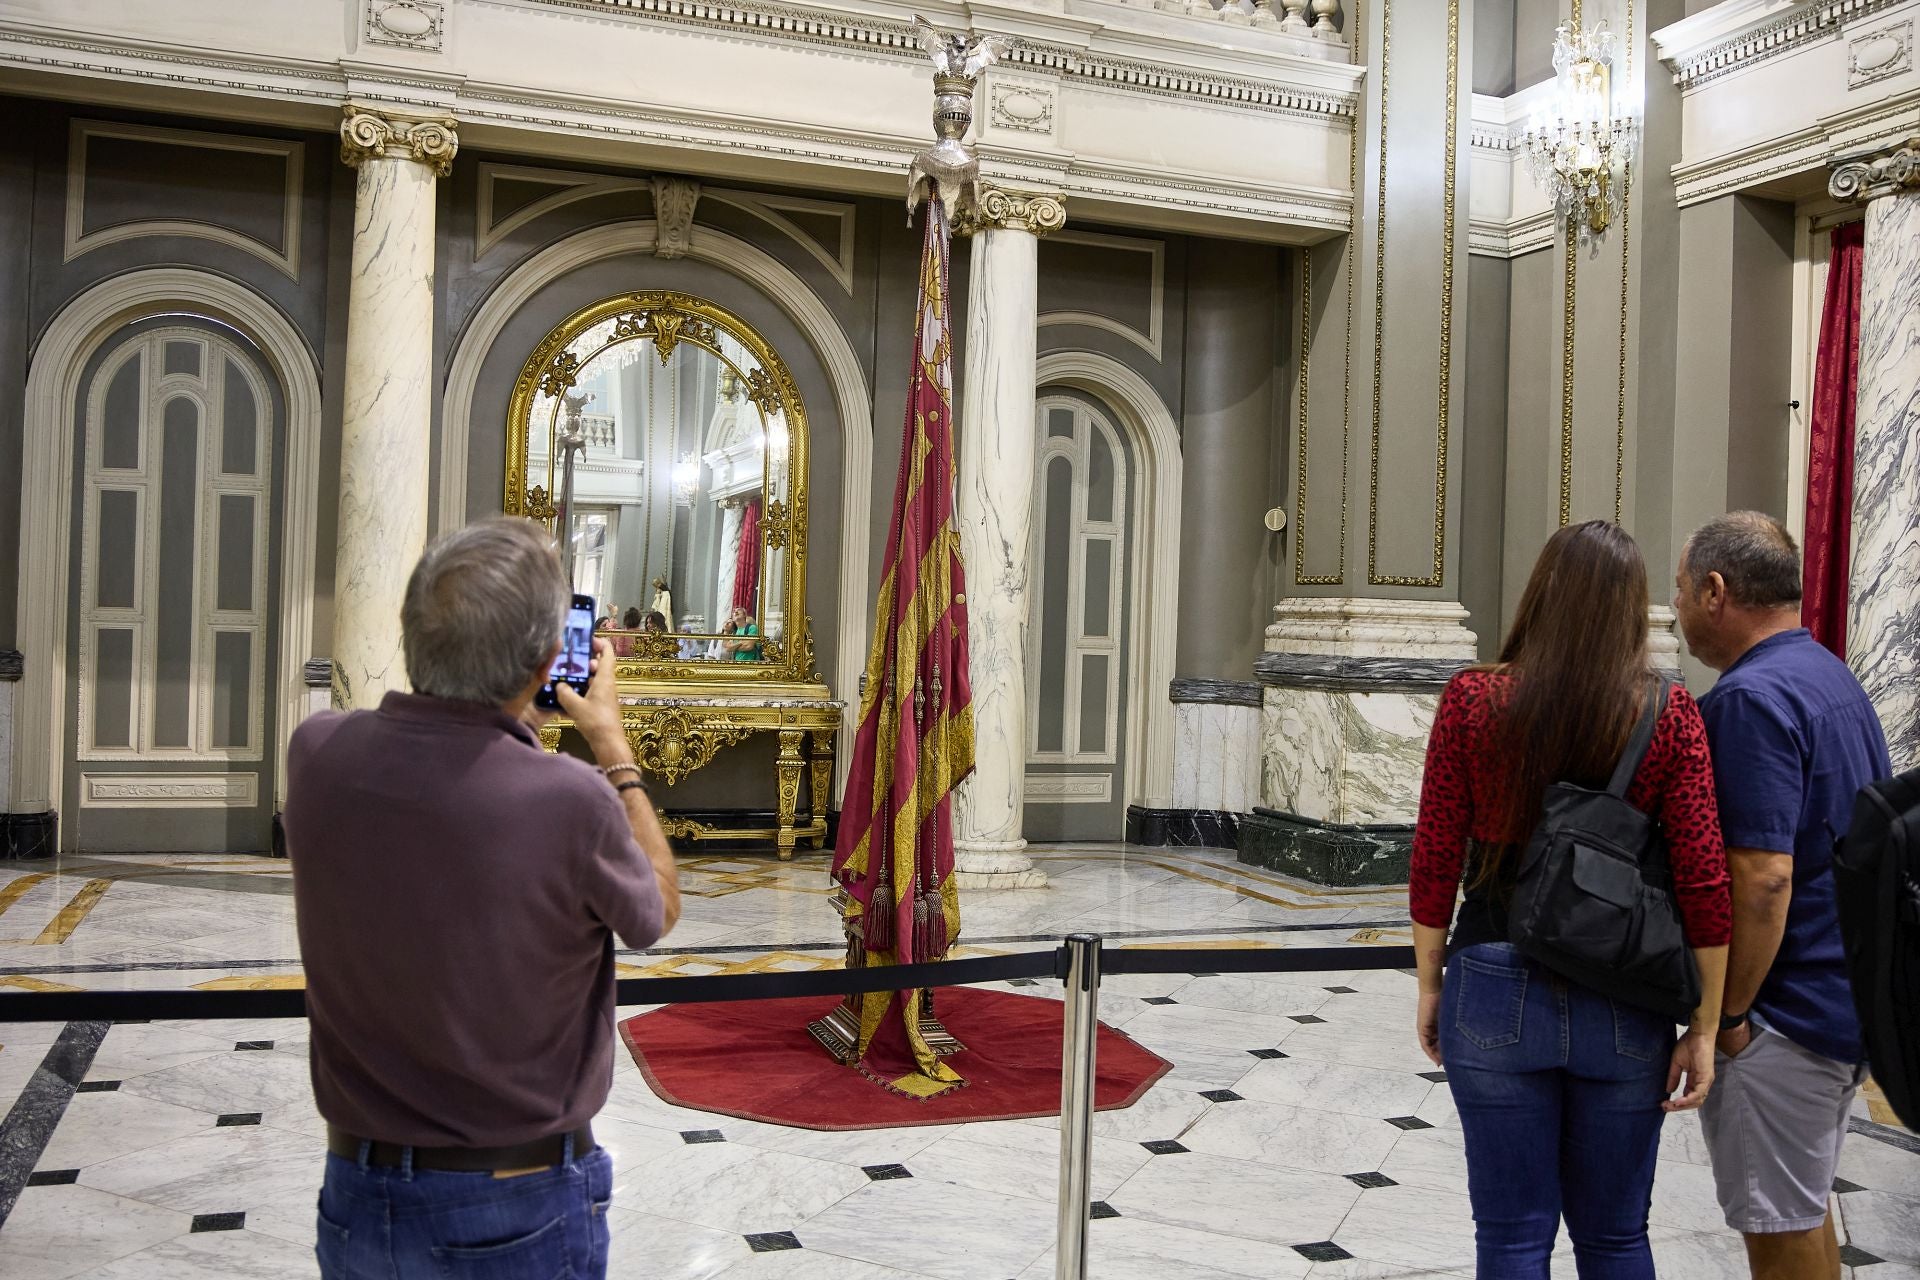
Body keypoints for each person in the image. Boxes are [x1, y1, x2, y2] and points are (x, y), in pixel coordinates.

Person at [284, 516, 680, 1280]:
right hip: (513, 1204)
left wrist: (515, 707)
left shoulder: (317, 754)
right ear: (546, 662)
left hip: (356, 1195)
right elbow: (654, 911)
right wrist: (613, 747)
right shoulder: (570, 799)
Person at [1411, 520, 1731, 1279]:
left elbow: (1434, 857)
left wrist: (1430, 985)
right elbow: (1704, 880)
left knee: (1512, 1239)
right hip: (1626, 991)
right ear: (1632, 608)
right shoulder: (1668, 711)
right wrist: (1706, 1026)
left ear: (1540, 594)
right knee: (1615, 1237)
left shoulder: (1473, 699)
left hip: (1491, 976)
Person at [1674, 512, 1890, 1280]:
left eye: (1680, 589)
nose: (1678, 608)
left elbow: (1763, 879)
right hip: (1841, 993)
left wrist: (1727, 1017)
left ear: (1715, 590)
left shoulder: (1750, 700)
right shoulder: (1827, 674)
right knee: (1801, 1207)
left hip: (1785, 1012)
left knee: (1779, 1226)